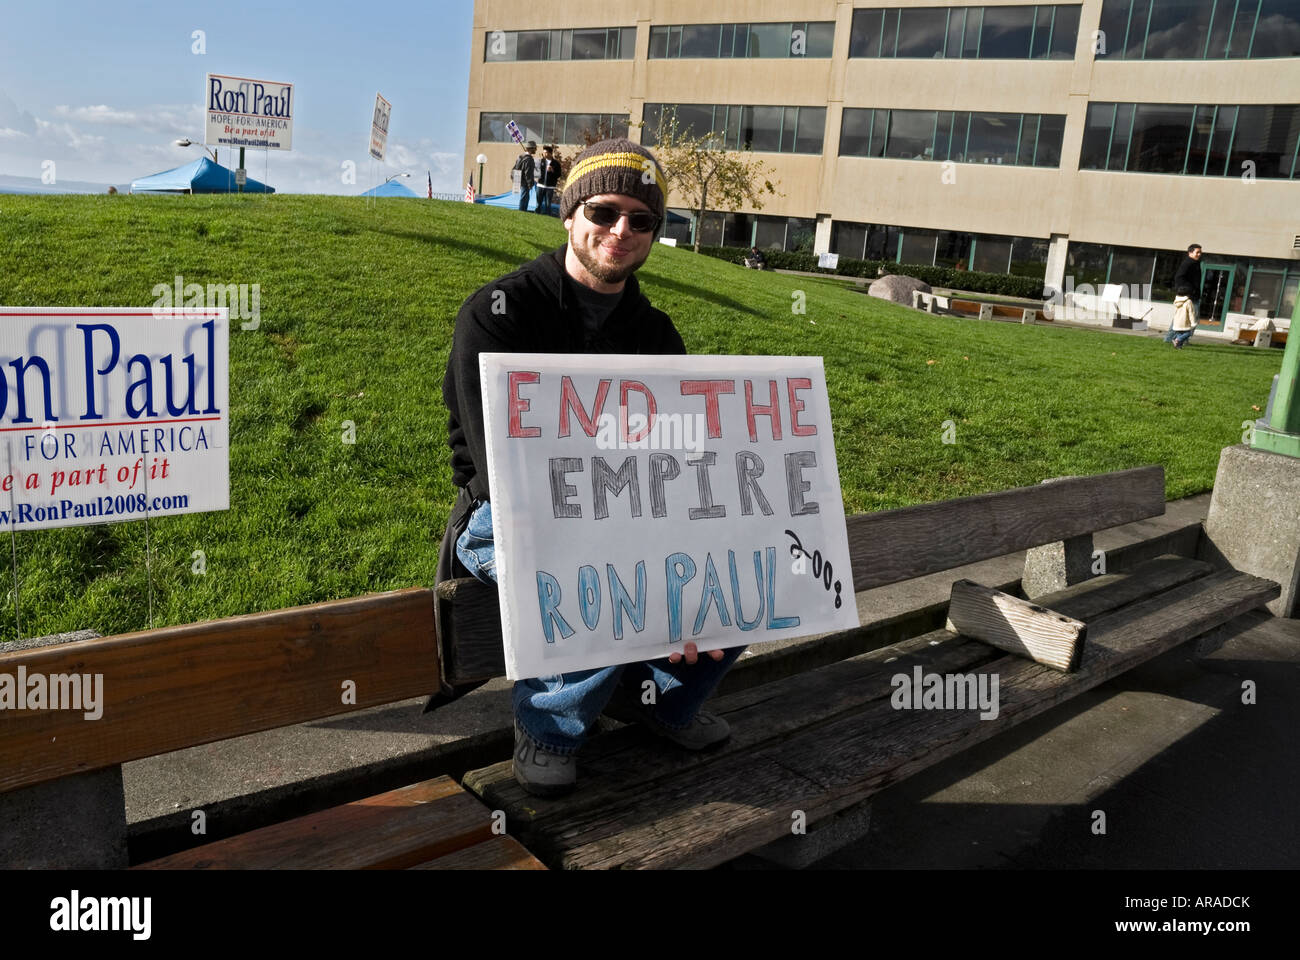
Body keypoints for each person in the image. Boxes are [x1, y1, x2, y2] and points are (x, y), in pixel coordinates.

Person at [441, 138, 744, 797]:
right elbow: (499, 469)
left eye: (642, 220)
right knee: (601, 563)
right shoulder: (499, 314)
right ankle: (548, 728)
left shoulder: (656, 334)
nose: (621, 231)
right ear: (569, 214)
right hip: (507, 510)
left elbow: (676, 455)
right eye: (605, 212)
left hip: (624, 502)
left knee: (742, 561)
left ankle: (657, 701)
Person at [1167, 243, 1202, 348]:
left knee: (1181, 318)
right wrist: (1188, 290)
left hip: (1192, 295)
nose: (1199, 254)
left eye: (1200, 252)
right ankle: (1178, 339)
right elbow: (1179, 277)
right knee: (1192, 319)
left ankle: (1172, 339)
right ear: (1190, 252)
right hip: (1189, 296)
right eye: (1197, 252)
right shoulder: (1188, 263)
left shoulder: (1195, 263)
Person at [534, 144, 560, 216]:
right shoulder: (540, 161)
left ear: (550, 153)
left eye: (545, 152)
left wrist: (552, 170)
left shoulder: (556, 163)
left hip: (550, 187)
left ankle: (548, 216)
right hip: (540, 185)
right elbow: (536, 171)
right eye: (543, 152)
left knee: (548, 204)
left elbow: (559, 174)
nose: (544, 154)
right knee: (538, 203)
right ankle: (536, 215)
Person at [512, 140, 537, 211]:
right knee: (524, 197)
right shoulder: (529, 159)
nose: (536, 149)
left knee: (524, 196)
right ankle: (522, 211)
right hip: (525, 182)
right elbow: (528, 173)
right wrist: (530, 183)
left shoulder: (521, 156)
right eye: (534, 148)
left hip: (519, 179)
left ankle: (522, 210)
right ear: (530, 149)